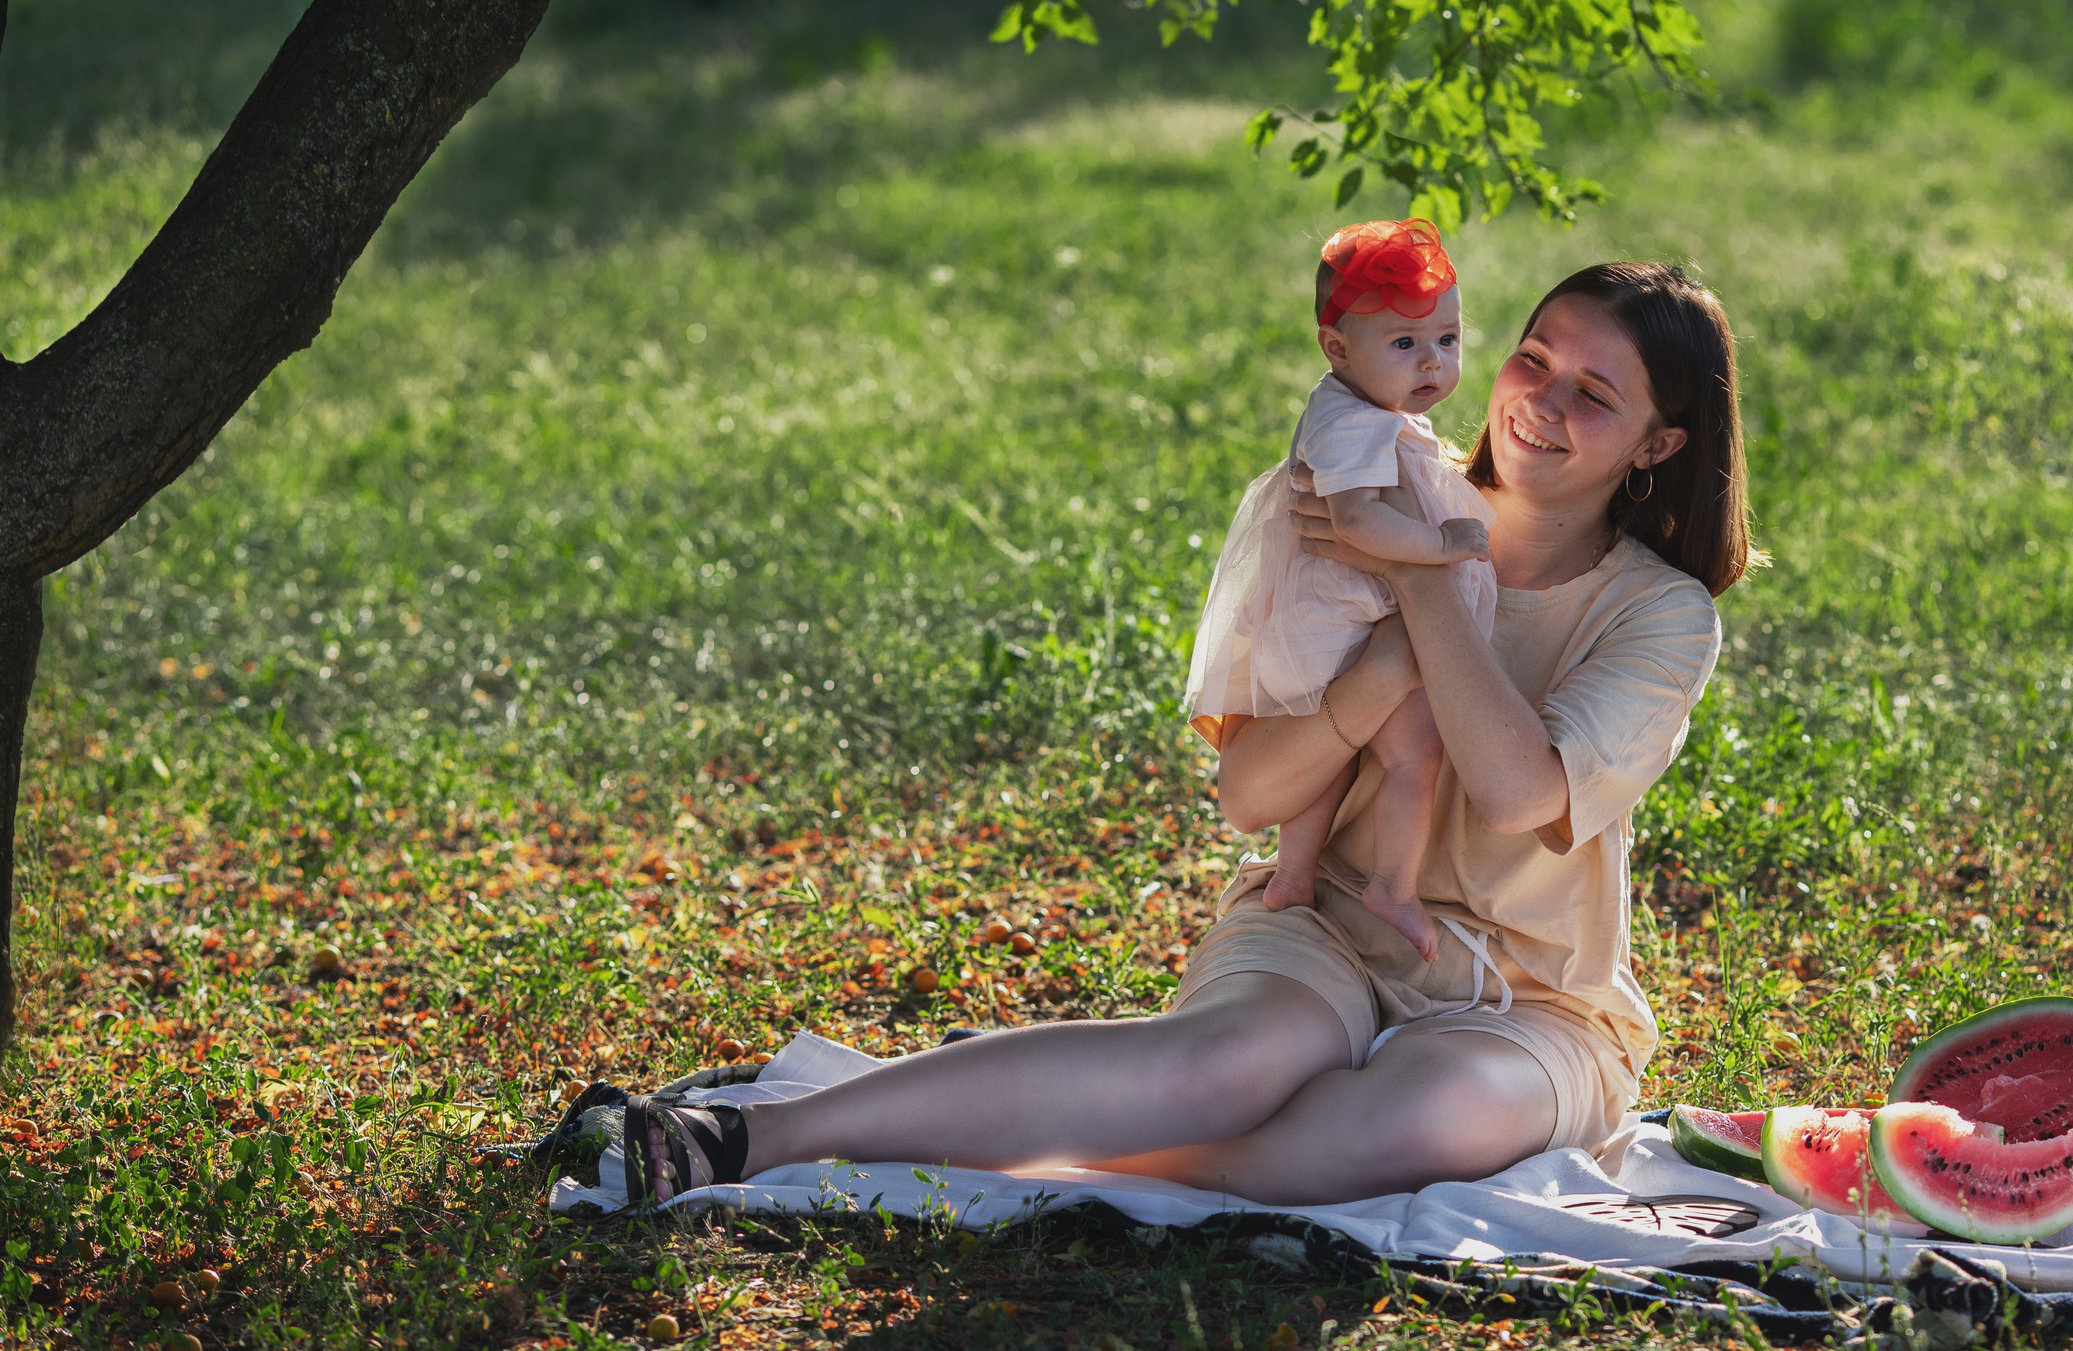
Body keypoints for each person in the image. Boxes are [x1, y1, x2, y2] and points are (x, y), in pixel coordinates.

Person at [620, 261, 1754, 1209]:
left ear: (1656, 446)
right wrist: (1391, 638)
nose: (1538, 400)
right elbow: (1251, 798)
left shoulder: (1658, 614)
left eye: (1595, 395)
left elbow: (1519, 796)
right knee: (1221, 1068)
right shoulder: (1372, 483)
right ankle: (757, 1140)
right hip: (1321, 921)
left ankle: (1016, 1113)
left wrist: (1424, 584)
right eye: (1534, 357)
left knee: (1400, 1127)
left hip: (1534, 999)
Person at [1182, 217, 1498, 960]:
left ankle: (1293, 874)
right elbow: (1354, 521)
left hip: (1323, 621)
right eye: (1404, 344)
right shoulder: (1354, 423)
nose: (1433, 363)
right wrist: (1436, 546)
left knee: (1341, 753)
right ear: (1337, 348)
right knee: (1411, 755)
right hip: (1338, 621)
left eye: (1448, 341)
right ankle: (1393, 884)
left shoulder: (1357, 406)